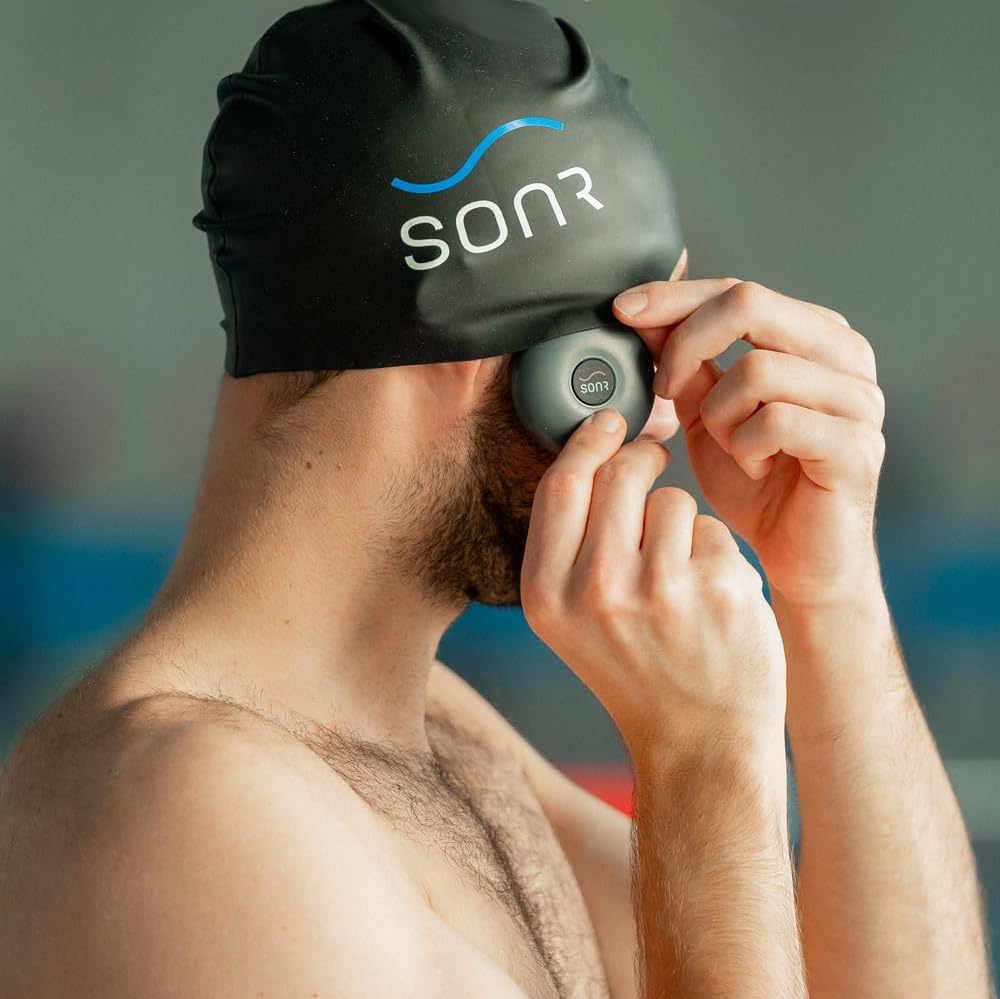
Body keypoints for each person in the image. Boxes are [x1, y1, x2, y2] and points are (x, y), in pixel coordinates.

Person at [0, 1, 994, 997]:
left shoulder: (440, 738)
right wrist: (703, 770)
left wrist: (831, 598)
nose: (662, 419)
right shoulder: (193, 814)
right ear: (482, 351)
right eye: (636, 357)